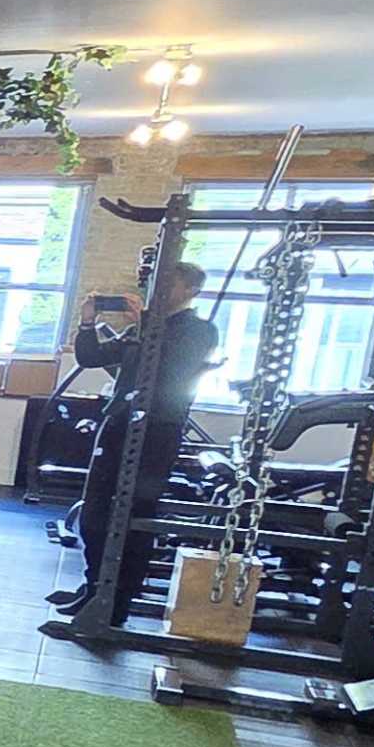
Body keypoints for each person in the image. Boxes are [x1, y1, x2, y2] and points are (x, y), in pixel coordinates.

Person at [49, 259, 220, 633]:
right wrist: (88, 321)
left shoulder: (199, 332)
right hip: (119, 423)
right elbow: (91, 357)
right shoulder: (143, 330)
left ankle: (118, 603)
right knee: (94, 513)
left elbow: (169, 368)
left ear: (190, 290)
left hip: (156, 432)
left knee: (133, 518)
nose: (158, 291)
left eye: (168, 285)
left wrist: (143, 324)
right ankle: (96, 588)